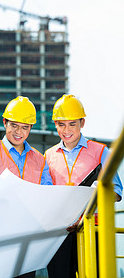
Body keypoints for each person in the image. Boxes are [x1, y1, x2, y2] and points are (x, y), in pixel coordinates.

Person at [0, 96, 53, 278]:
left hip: (27, 238)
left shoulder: (40, 160)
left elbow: (47, 193)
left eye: (25, 127)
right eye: (14, 125)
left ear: (31, 128)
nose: (19, 132)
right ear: (5, 122)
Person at [45, 94, 123, 278]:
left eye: (72, 124)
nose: (66, 130)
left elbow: (117, 192)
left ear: (82, 123)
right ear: (55, 124)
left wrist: (98, 193)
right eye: (61, 124)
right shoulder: (48, 156)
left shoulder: (100, 152)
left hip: (92, 229)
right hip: (60, 233)